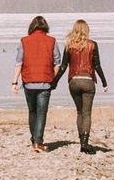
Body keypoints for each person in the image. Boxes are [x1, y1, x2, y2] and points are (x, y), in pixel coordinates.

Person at [52, 18, 108, 153]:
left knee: (79, 112)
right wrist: (104, 82)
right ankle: (85, 143)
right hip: (88, 80)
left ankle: (80, 139)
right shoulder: (93, 45)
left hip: (74, 81)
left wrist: (55, 82)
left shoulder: (69, 46)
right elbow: (97, 65)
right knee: (87, 113)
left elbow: (64, 66)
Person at [12, 14, 60, 151]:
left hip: (28, 82)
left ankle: (34, 138)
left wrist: (14, 82)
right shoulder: (52, 41)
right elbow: (57, 63)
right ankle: (38, 141)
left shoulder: (24, 41)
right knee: (41, 112)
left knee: (32, 111)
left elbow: (18, 63)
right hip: (45, 82)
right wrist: (53, 78)